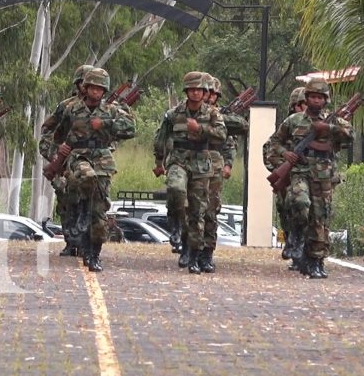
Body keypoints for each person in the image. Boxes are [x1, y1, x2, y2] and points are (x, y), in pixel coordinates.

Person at [266, 78, 354, 279]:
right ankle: (295, 235)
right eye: (312, 97)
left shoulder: (333, 121)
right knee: (299, 200)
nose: (316, 101)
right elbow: (274, 142)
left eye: (320, 97)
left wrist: (329, 129)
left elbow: (350, 136)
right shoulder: (294, 120)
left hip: (324, 176)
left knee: (319, 220)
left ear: (325, 100)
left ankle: (315, 261)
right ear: (306, 98)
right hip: (300, 171)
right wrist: (284, 153)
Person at [51, 67, 136, 272]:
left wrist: (105, 125)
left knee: (98, 215)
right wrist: (59, 150)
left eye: (100, 89)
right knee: (86, 176)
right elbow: (57, 133)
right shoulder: (72, 109)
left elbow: (131, 129)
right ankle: (79, 208)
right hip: (78, 156)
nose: (96, 92)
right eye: (92, 88)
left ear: (104, 90)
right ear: (85, 88)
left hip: (102, 159)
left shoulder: (111, 110)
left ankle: (93, 254)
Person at [153, 71, 227, 274]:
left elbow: (221, 135)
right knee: (176, 190)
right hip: (178, 160)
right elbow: (161, 138)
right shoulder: (174, 114)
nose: (195, 93)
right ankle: (175, 223)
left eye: (199, 90)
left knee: (197, 212)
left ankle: (194, 254)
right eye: (192, 90)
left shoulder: (212, 114)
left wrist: (201, 130)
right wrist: (159, 161)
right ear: (186, 91)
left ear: (204, 92)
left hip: (202, 165)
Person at [39, 64, 93, 257]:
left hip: (92, 161)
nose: (89, 87)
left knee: (92, 201)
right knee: (66, 201)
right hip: (66, 161)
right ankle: (71, 242)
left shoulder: (104, 108)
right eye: (85, 83)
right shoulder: (66, 107)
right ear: (78, 84)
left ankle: (88, 244)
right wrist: (54, 155)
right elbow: (48, 131)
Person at [200, 77, 247, 273]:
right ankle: (189, 247)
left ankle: (207, 253)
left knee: (211, 209)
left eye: (213, 94)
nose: (209, 97)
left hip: (214, 164)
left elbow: (234, 136)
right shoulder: (188, 112)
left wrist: (228, 164)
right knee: (190, 208)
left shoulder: (222, 116)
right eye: (206, 93)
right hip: (190, 161)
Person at [263, 86, 306, 270]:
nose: (304, 108)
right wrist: (282, 163)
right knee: (287, 211)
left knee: (307, 212)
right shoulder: (287, 127)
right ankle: (293, 247)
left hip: (308, 176)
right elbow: (269, 151)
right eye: (301, 104)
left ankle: (305, 253)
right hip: (287, 180)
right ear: (295, 107)